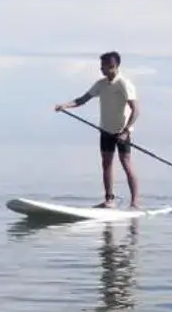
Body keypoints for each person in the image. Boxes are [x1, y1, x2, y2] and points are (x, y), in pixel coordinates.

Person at [55, 51, 140, 208]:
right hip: (105, 130)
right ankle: (109, 200)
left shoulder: (124, 83)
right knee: (106, 163)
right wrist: (64, 106)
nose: (101, 69)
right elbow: (82, 100)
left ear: (113, 66)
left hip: (122, 131)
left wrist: (126, 131)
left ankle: (135, 202)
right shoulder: (101, 84)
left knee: (126, 163)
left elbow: (135, 110)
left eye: (103, 67)